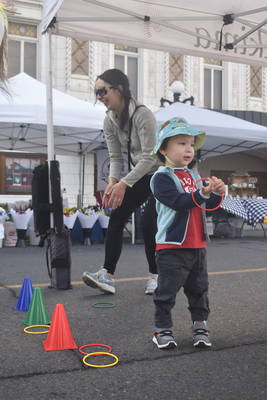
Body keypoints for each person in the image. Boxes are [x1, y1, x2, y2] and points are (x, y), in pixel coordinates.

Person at [150, 117, 225, 349]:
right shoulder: (161, 177)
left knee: (199, 290)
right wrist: (202, 194)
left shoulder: (194, 175)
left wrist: (217, 192)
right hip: (171, 247)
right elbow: (178, 201)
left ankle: (200, 327)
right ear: (163, 149)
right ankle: (162, 330)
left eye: (191, 144)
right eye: (181, 143)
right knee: (166, 291)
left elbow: (206, 203)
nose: (189, 149)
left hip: (197, 245)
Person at [82, 68, 159, 295]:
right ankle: (107, 274)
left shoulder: (143, 115)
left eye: (102, 91)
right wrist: (112, 181)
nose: (99, 97)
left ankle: (156, 276)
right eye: (96, 92)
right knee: (116, 217)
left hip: (159, 175)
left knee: (148, 222)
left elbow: (150, 157)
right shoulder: (109, 120)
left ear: (120, 89)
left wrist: (123, 183)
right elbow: (115, 157)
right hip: (138, 174)